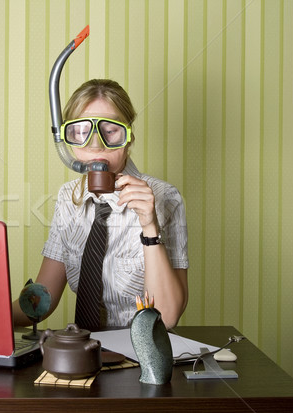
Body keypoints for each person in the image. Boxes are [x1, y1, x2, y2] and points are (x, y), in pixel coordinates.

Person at [13, 79, 188, 330]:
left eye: (110, 130)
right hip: (81, 353)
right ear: (67, 140)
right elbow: (41, 301)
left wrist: (150, 227)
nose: (96, 144)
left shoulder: (165, 197)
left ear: (128, 137)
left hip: (138, 356)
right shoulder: (67, 198)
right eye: (82, 132)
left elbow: (167, 317)